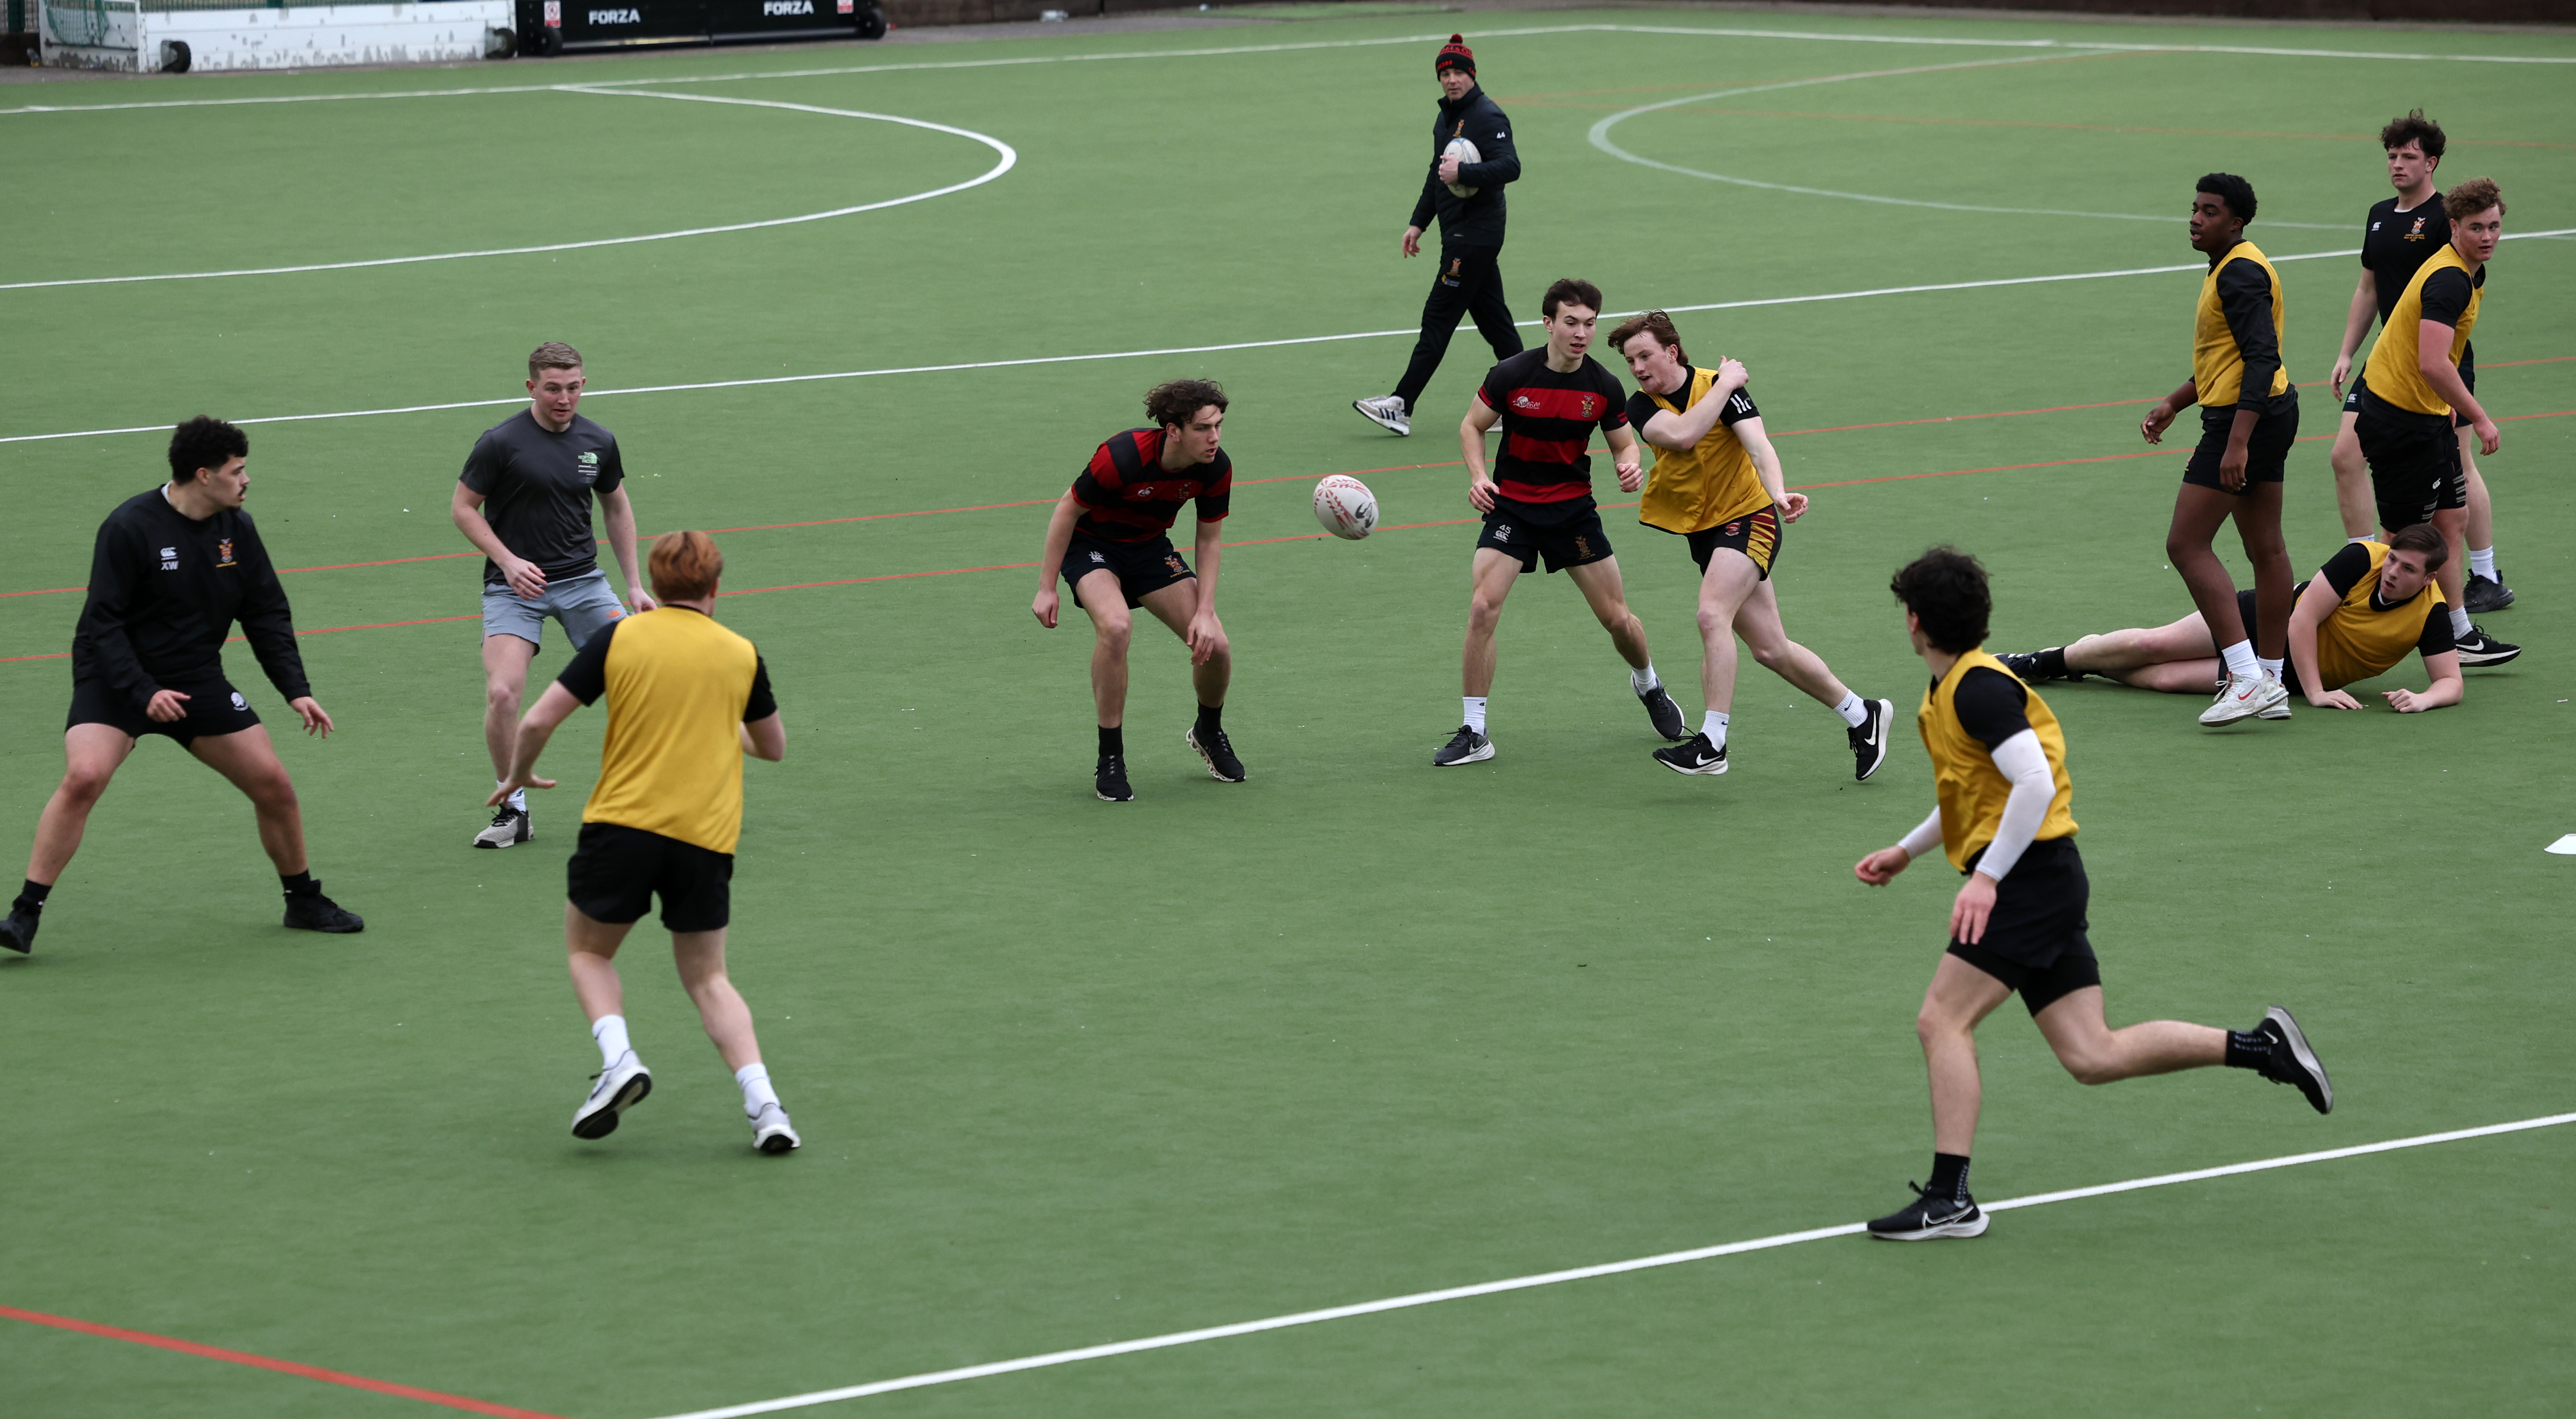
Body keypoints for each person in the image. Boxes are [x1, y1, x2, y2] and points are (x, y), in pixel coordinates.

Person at [1853, 547, 2332, 1242]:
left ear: (1915, 621)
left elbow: (2034, 786)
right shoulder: (1953, 688)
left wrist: (1987, 878)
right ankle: (2262, 1048)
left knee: (1941, 1021)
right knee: (2091, 1053)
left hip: (2027, 881)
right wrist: (1907, 849)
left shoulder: (1977, 690)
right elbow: (1973, 796)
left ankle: (1950, 1196)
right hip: (2043, 877)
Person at [2, 417, 363, 954]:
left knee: (273, 784)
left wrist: (296, 688)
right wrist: (143, 690)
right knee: (84, 776)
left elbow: (266, 612)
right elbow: (102, 623)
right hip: (116, 678)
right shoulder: (130, 526)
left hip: (193, 678)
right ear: (203, 475)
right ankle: (23, 915)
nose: (246, 480)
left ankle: (303, 899)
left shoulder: (236, 530)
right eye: (237, 470)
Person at [492, 531, 799, 1154]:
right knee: (710, 977)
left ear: (654, 587)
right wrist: (719, 728)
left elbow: (536, 718)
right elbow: (772, 747)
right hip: (705, 839)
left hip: (623, 828)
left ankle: (618, 1058)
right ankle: (765, 1105)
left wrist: (517, 773)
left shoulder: (621, 635)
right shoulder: (741, 653)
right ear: (716, 588)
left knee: (589, 951)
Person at [1610, 311, 1896, 781]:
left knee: (1710, 615)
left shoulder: (1721, 388)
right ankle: (1863, 716)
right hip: (1704, 532)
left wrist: (1779, 492)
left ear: (1671, 352)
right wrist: (1726, 383)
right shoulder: (1641, 406)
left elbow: (1759, 447)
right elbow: (1681, 436)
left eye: (1644, 355)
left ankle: (1712, 742)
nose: (1637, 367)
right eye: (1630, 360)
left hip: (1749, 517)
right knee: (1771, 649)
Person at [1435, 278, 1686, 766]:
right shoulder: (1511, 374)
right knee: (1483, 608)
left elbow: (1623, 442)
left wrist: (1629, 463)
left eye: (1589, 323)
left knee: (1617, 618)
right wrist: (1478, 476)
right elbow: (1471, 426)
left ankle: (1647, 682)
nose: (1581, 333)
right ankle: (1475, 730)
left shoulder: (1602, 386)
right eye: (1570, 322)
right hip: (1511, 508)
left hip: (1572, 511)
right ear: (1547, 323)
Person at [453, 341, 655, 851]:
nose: (564, 398)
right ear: (531, 388)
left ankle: (654, 793)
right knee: (502, 693)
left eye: (572, 387)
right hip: (514, 588)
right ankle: (513, 809)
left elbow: (616, 509)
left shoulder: (598, 441)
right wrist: (508, 561)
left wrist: (633, 583)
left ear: (582, 383)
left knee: (643, 677)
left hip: (584, 582)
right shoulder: (500, 442)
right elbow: (463, 508)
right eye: (552, 388)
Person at [2326, 110, 2514, 614]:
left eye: (2408, 156)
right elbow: (2368, 287)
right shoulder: (2378, 213)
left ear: (2430, 162)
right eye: (2391, 155)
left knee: (2457, 469)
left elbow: (2456, 296)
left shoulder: (2445, 219)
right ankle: (2366, 562)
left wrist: (2465, 403)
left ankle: (2484, 572)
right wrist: (2347, 350)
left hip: (2434, 368)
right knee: (2344, 455)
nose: (2396, 164)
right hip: (2387, 362)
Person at [1994, 523, 2462, 715]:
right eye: (2394, 560)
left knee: (2164, 681)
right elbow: (2299, 621)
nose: (2393, 573)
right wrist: (2317, 693)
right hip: (2261, 621)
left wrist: (2422, 699)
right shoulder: (2363, 558)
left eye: (2406, 569)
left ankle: (2089, 661)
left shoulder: (2430, 611)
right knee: (2150, 646)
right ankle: (2038, 662)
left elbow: (2450, 682)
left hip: (2285, 678)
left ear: (2429, 578)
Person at [2137, 174, 2297, 729]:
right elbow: (2225, 355)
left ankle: (2245, 675)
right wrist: (2176, 402)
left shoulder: (2240, 275)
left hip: (2244, 419)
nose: (2195, 219)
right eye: (2194, 208)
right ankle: (2273, 679)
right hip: (2269, 412)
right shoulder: (2234, 262)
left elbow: (2259, 357)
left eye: (2209, 212)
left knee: (2185, 543)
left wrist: (2235, 443)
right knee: (2266, 549)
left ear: (2236, 222)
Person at [1032, 379, 1242, 802]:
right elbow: (1067, 509)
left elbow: (1209, 540)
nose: (1214, 437)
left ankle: (1208, 729)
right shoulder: (1122, 456)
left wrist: (1205, 610)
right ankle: (1110, 757)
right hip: (1091, 548)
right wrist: (1046, 587)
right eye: (1203, 428)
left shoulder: (1215, 467)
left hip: (1148, 551)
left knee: (1216, 644)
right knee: (1115, 626)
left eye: (1218, 425)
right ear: (1173, 431)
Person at [2355, 177, 2519, 669]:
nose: (2487, 236)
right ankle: (2344, 623)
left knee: (2451, 520)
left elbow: (2432, 358)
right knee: (2397, 540)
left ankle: (2458, 631)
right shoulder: (2448, 279)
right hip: (2397, 419)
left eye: (2493, 226)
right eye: (2476, 227)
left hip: (2423, 414)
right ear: (2453, 227)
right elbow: (2432, 362)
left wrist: (2444, 406)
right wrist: (2478, 416)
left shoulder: (2468, 272)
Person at [1352, 33, 1523, 439]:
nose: (1451, 79)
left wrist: (1463, 174)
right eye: (1444, 73)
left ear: (1472, 74)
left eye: (1458, 72)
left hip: (1474, 237)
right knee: (1496, 324)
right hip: (1458, 234)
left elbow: (1510, 167)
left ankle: (1400, 405)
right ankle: (1527, 401)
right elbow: (1437, 174)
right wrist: (1418, 223)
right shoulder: (1446, 117)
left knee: (1438, 318)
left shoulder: (1488, 116)